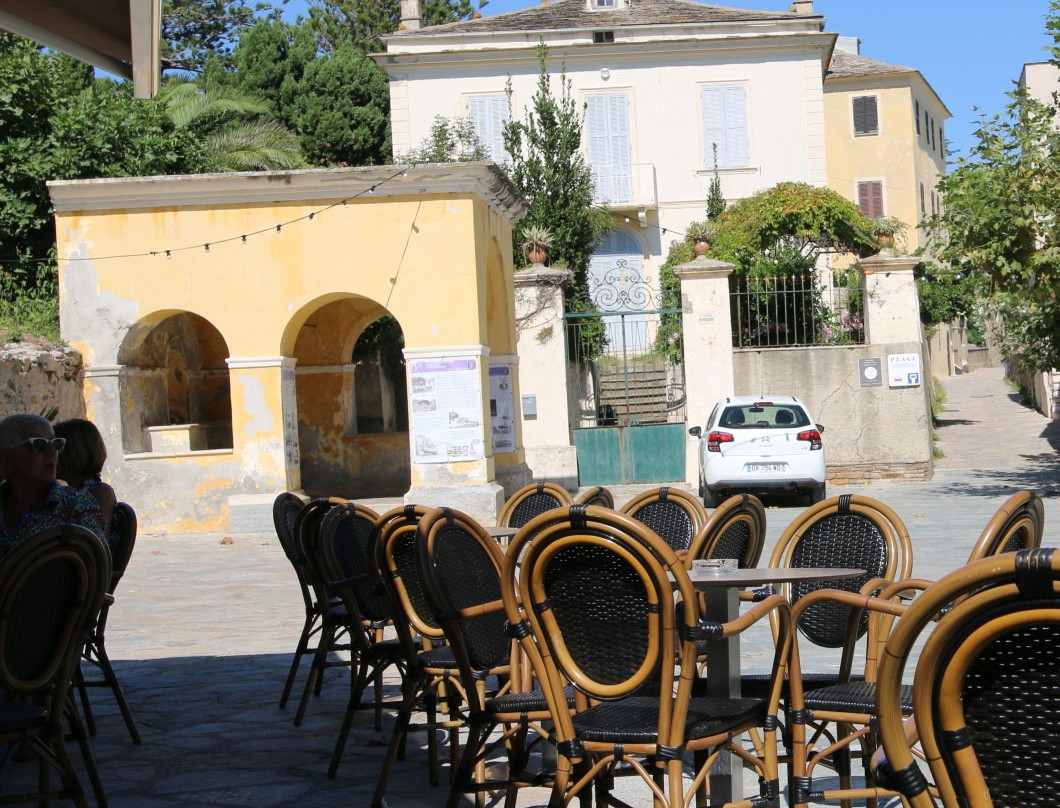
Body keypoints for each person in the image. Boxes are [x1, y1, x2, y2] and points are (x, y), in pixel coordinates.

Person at [0, 413, 104, 556]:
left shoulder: (77, 505)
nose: (52, 452)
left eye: (56, 444)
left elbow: (96, 570)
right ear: (6, 458)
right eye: (39, 444)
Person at [55, 418, 117, 535]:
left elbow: (92, 543)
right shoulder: (72, 492)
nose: (50, 454)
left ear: (73, 453)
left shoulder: (99, 493)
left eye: (57, 447)